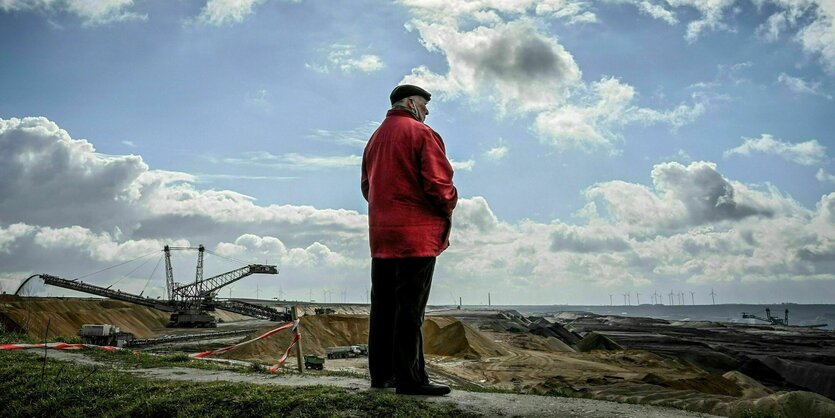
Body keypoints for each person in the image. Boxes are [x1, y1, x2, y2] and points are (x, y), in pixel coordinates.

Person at [361, 84, 458, 396]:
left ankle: (381, 375)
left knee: (383, 307)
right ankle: (411, 379)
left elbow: (367, 187)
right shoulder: (422, 134)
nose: (427, 112)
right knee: (410, 309)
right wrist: (450, 203)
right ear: (413, 103)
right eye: (426, 106)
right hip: (416, 236)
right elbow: (439, 184)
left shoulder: (374, 139)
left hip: (382, 237)